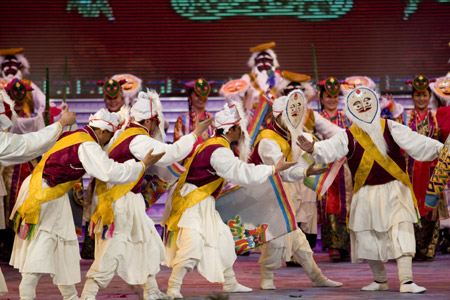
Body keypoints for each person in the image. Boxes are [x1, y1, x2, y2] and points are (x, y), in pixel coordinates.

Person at [298, 87, 443, 293]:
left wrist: (440, 149)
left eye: (367, 102)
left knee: (401, 231)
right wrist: (313, 149)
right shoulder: (347, 136)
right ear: (350, 110)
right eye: (357, 105)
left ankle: (407, 281)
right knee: (367, 236)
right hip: (365, 193)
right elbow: (328, 148)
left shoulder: (390, 127)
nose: (363, 106)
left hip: (396, 191)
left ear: (375, 104)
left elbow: (416, 141)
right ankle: (380, 280)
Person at [9, 108, 163, 300]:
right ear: (102, 132)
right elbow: (109, 171)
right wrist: (142, 165)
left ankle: (71, 297)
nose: (109, 140)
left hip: (51, 192)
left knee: (64, 248)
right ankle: (26, 296)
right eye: (110, 135)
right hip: (45, 194)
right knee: (41, 249)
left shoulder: (76, 134)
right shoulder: (87, 145)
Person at [80, 89, 213, 300]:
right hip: (119, 201)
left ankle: (150, 290)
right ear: (150, 121)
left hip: (128, 199)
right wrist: (195, 133)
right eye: (156, 123)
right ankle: (88, 293)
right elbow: (171, 153)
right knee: (113, 248)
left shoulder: (128, 133)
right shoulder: (137, 139)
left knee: (148, 242)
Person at [162, 102, 297, 299]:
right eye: (239, 129)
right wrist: (273, 169)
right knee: (192, 246)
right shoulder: (219, 150)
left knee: (222, 239)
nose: (242, 133)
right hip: (193, 203)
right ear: (231, 129)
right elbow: (242, 173)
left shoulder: (213, 143)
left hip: (201, 201)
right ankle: (173, 288)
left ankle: (230, 283)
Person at [250, 90, 343, 290]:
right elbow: (281, 171)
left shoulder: (289, 134)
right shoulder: (268, 139)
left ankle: (316, 277)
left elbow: (307, 152)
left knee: (297, 239)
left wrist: (314, 153)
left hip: (281, 195)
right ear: (279, 117)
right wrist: (304, 172)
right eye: (291, 115)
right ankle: (266, 278)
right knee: (275, 238)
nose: (295, 119)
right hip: (266, 196)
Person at [0, 93, 76, 297]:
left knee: (57, 247)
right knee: (42, 246)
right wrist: (60, 124)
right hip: (42, 194)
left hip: (46, 192)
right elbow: (25, 145)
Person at [277, 70, 342, 249]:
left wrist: (351, 139)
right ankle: (291, 252)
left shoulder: (311, 115)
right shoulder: (276, 115)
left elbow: (334, 132)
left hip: (307, 169)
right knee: (290, 206)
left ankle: (303, 250)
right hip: (287, 169)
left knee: (307, 207)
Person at [402, 75, 448, 260]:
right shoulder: (404, 117)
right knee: (411, 207)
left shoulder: (437, 117)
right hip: (411, 171)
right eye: (417, 94)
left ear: (430, 97)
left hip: (431, 170)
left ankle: (428, 248)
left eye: (424, 95)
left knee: (431, 208)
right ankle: (411, 248)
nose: (421, 98)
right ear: (412, 97)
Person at [316, 77, 352, 261]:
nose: (331, 100)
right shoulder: (316, 120)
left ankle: (346, 245)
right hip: (324, 168)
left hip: (344, 167)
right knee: (328, 204)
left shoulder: (346, 118)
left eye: (334, 96)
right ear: (320, 98)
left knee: (346, 204)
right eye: (327, 96)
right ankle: (333, 246)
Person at [173, 78, 215, 164]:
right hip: (188, 167)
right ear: (190, 97)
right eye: (197, 95)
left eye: (204, 95)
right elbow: (178, 148)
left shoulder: (211, 119)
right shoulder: (182, 120)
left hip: (208, 166)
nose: (201, 98)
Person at [241, 42, 282, 119]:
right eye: (261, 60)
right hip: (252, 117)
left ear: (272, 61)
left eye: (267, 60)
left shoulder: (279, 78)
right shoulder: (247, 78)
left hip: (275, 116)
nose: (264, 63)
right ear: (255, 62)